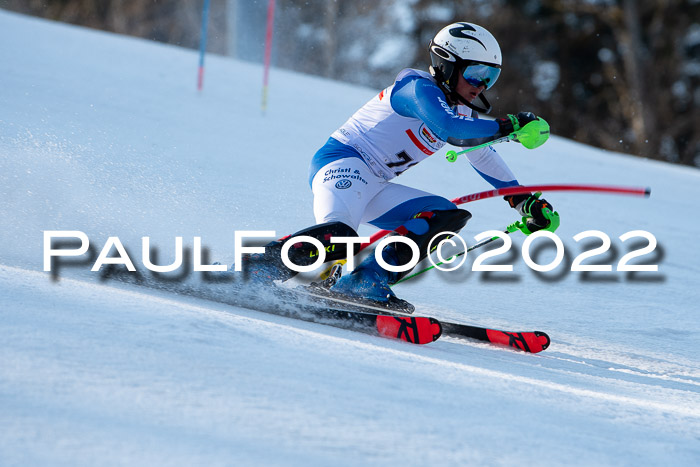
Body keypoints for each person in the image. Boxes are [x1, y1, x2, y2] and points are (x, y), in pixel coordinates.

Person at [240, 22, 556, 309]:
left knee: (445, 216)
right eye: (476, 74)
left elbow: (481, 152)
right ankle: (256, 268)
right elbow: (451, 129)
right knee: (341, 237)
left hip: (376, 183)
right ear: (447, 64)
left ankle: (365, 282)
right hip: (343, 164)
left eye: (491, 77)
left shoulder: (461, 110)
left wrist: (521, 200)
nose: (482, 85)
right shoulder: (417, 90)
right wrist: (510, 124)